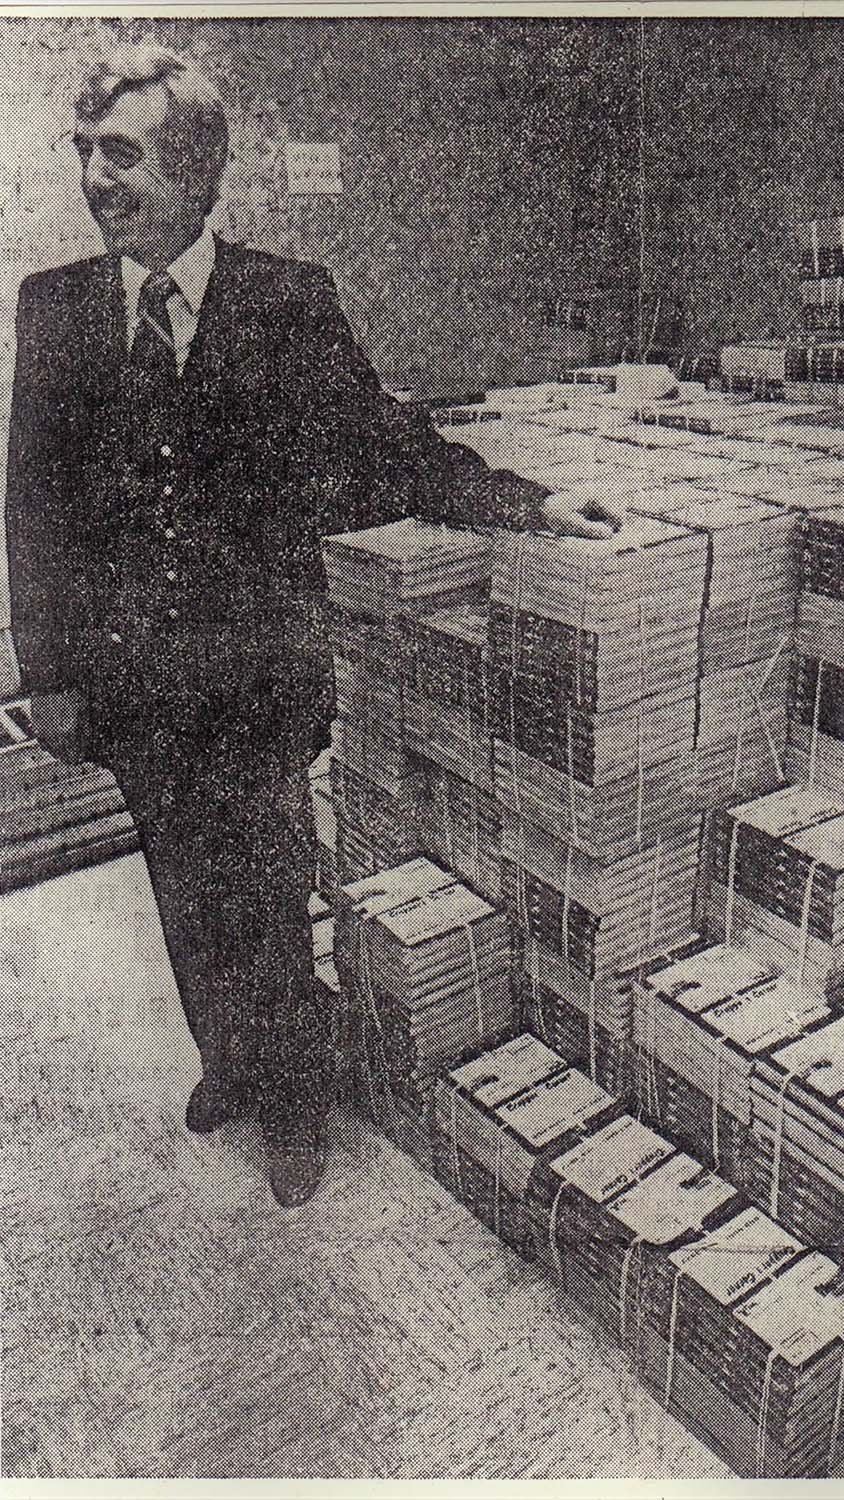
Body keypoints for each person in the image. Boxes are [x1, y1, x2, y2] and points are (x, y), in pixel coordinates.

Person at [5, 44, 621, 1207]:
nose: (95, 177)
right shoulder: (55, 309)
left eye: (121, 153)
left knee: (270, 890)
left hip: (259, 674)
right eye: (84, 151)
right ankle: (227, 1064)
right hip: (132, 684)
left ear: (197, 169)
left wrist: (528, 504)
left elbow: (385, 447)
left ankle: (294, 1106)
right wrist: (48, 674)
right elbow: (32, 502)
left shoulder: (287, 298)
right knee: (183, 887)